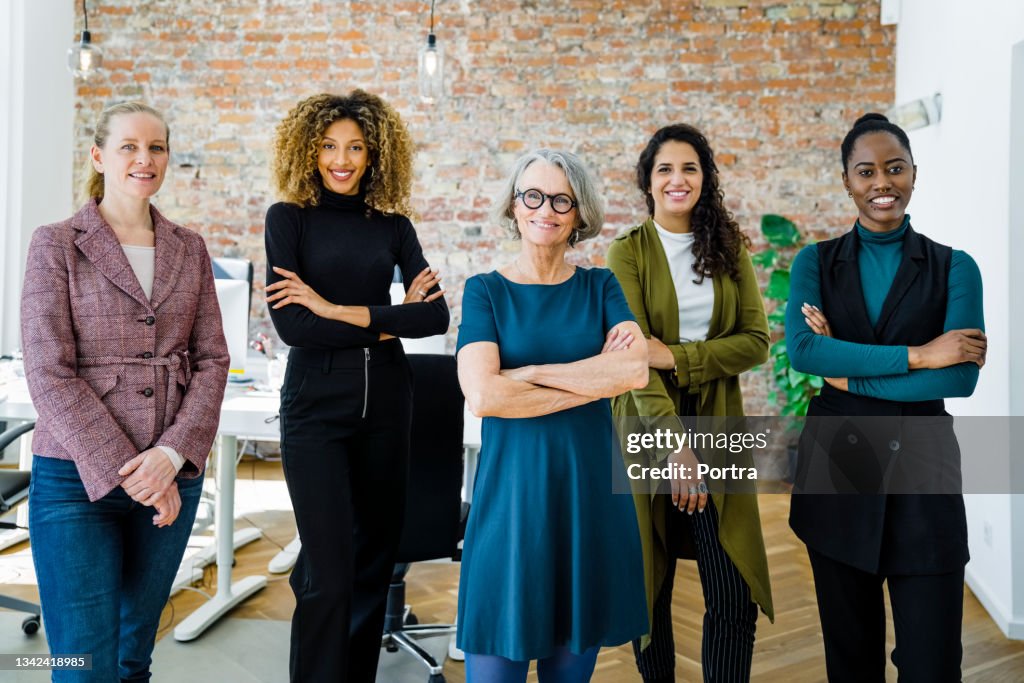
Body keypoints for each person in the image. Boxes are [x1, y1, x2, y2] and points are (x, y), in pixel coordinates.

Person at [20, 101, 229, 681]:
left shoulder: (189, 248)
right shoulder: (56, 244)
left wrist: (169, 458)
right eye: (129, 147)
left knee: (133, 659)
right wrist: (131, 473)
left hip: (171, 479)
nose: (145, 159)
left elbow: (213, 359)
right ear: (99, 156)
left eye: (156, 147)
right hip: (73, 482)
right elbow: (49, 372)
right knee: (83, 665)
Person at [786, 112, 986, 681]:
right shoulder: (814, 263)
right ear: (847, 180)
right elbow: (805, 352)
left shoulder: (956, 268)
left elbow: (960, 379)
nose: (882, 183)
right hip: (839, 479)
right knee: (851, 665)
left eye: (894, 169)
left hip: (925, 484)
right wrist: (921, 355)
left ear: (914, 175)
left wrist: (847, 373)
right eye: (866, 171)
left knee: (933, 664)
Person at [264, 90, 449, 683]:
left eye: (356, 148)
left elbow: (436, 319)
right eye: (328, 146)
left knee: (373, 565)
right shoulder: (286, 219)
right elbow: (294, 327)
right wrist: (385, 321)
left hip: (389, 406)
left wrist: (332, 308)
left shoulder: (394, 228)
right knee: (327, 570)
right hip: (315, 407)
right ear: (308, 150)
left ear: (375, 155)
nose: (341, 159)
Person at [456, 149, 650, 682]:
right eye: (533, 196)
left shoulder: (601, 287)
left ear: (579, 212)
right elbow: (485, 396)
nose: (547, 209)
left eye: (561, 199)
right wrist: (591, 379)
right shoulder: (485, 291)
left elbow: (632, 373)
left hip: (586, 504)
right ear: (515, 207)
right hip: (510, 506)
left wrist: (526, 372)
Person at [606, 123, 774, 683]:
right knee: (649, 590)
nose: (678, 180)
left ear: (705, 179)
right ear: (648, 182)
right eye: (665, 170)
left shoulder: (729, 249)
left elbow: (755, 341)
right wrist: (675, 446)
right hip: (648, 428)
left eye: (690, 168)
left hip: (719, 428)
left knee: (731, 591)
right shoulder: (625, 253)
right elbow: (632, 359)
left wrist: (676, 357)